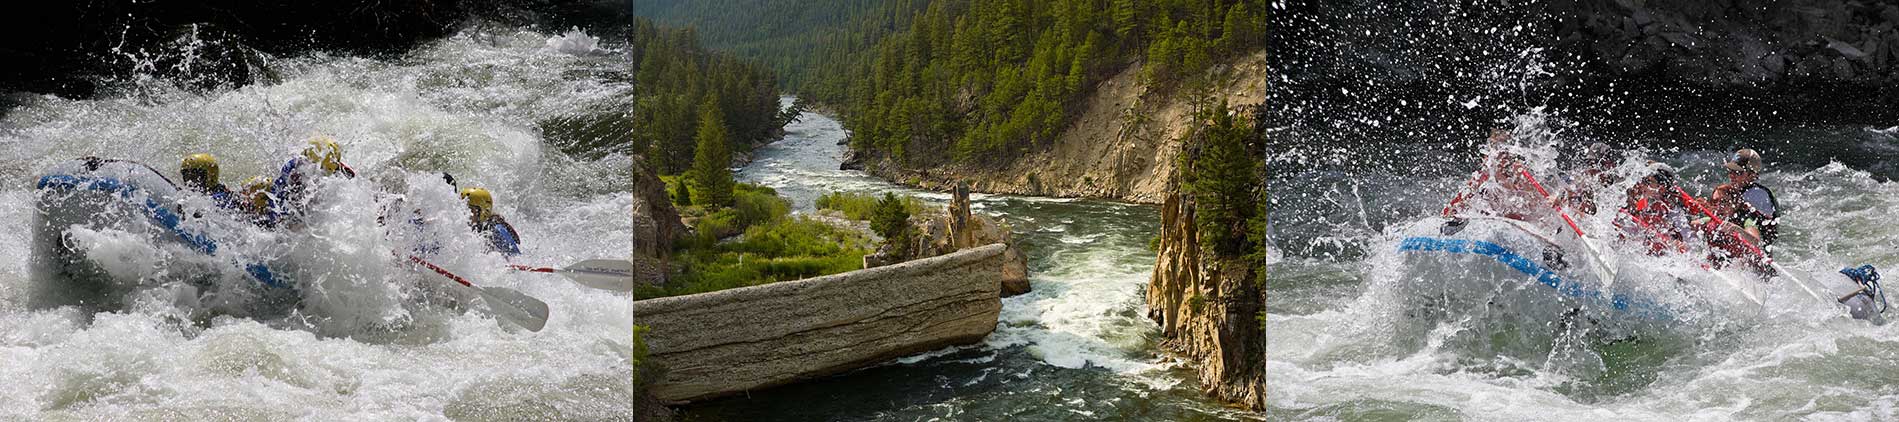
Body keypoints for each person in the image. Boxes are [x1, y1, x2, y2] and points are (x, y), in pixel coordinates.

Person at [268, 136, 357, 226]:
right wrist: (277, 220)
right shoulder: (292, 169)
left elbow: (350, 175)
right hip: (293, 197)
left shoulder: (331, 165)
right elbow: (275, 194)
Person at [460, 187, 521, 256]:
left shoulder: (496, 231)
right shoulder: (464, 229)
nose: (465, 214)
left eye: (470, 210)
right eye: (463, 209)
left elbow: (516, 258)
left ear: (483, 212)